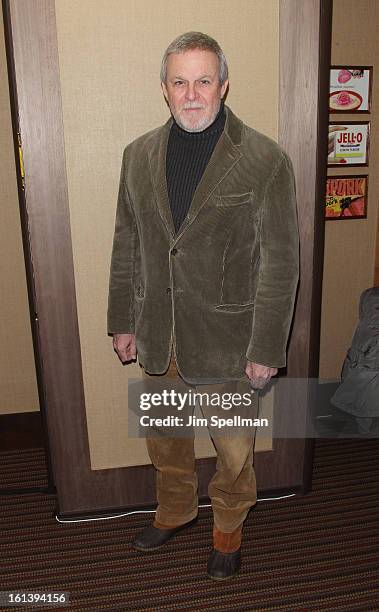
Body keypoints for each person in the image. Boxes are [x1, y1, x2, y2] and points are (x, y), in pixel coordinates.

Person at [108, 31, 299, 580]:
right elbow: (129, 243)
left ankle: (228, 529)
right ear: (164, 89)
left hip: (230, 341)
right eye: (180, 82)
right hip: (158, 331)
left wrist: (267, 347)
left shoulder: (265, 159)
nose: (192, 94)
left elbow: (282, 264)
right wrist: (123, 320)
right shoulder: (137, 155)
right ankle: (175, 511)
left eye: (203, 81)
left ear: (223, 85)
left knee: (234, 450)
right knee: (165, 437)